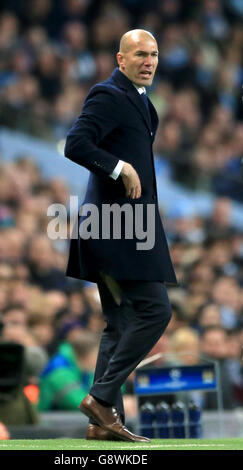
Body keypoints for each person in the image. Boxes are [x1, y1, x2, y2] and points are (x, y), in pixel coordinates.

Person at [64, 29, 177, 442]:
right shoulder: (109, 94)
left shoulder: (140, 99)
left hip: (124, 228)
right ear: (120, 60)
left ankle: (102, 423)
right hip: (117, 231)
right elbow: (75, 143)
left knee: (119, 323)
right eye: (140, 55)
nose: (149, 61)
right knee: (155, 311)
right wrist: (118, 168)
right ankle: (101, 397)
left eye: (154, 54)